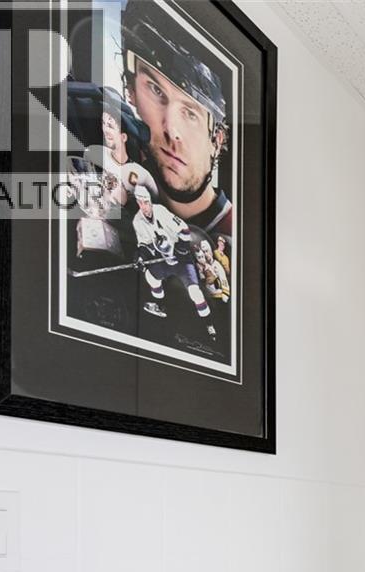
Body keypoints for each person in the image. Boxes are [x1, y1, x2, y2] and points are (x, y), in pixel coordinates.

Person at [121, 3, 233, 241]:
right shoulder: (120, 195)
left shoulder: (238, 236)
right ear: (131, 91)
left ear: (217, 139)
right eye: (156, 90)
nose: (172, 129)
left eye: (191, 113)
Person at [130, 184, 215, 336]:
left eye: (146, 202)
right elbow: (144, 244)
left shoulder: (161, 211)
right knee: (151, 277)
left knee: (195, 292)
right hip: (163, 259)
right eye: (140, 203)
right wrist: (141, 257)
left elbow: (184, 230)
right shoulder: (137, 221)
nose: (144, 206)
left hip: (181, 259)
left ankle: (209, 324)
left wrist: (181, 249)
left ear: (150, 201)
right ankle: (160, 306)